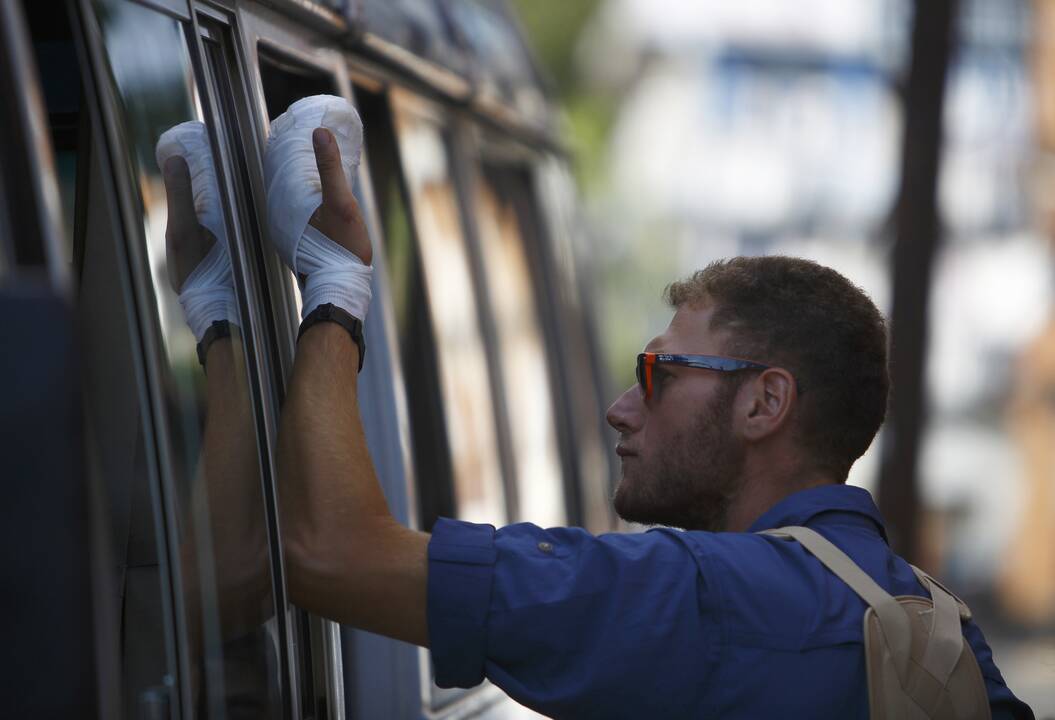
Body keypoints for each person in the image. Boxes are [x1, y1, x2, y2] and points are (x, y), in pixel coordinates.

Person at [276, 125, 1035, 719]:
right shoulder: (939, 626)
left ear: (764, 404)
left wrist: (335, 290)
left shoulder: (694, 597)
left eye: (659, 376)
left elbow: (329, 555)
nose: (619, 406)